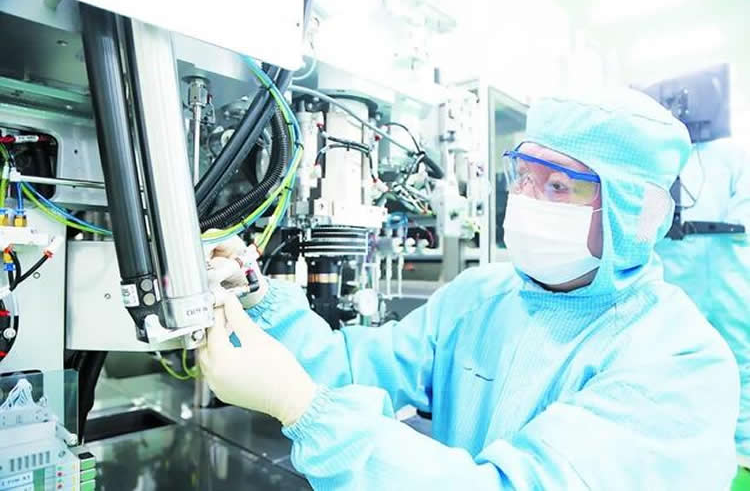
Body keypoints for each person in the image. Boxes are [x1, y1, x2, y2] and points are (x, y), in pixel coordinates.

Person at [198, 88, 740, 490]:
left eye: (557, 185)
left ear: (632, 212)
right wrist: (256, 296)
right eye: (524, 175)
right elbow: (355, 369)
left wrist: (303, 407)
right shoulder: (483, 297)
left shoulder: (680, 365)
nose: (525, 199)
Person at [654, 137, 750, 478]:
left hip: (727, 280)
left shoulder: (733, 155)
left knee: (738, 364)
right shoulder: (661, 155)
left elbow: (743, 221)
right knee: (671, 367)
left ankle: (742, 452)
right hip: (678, 280)